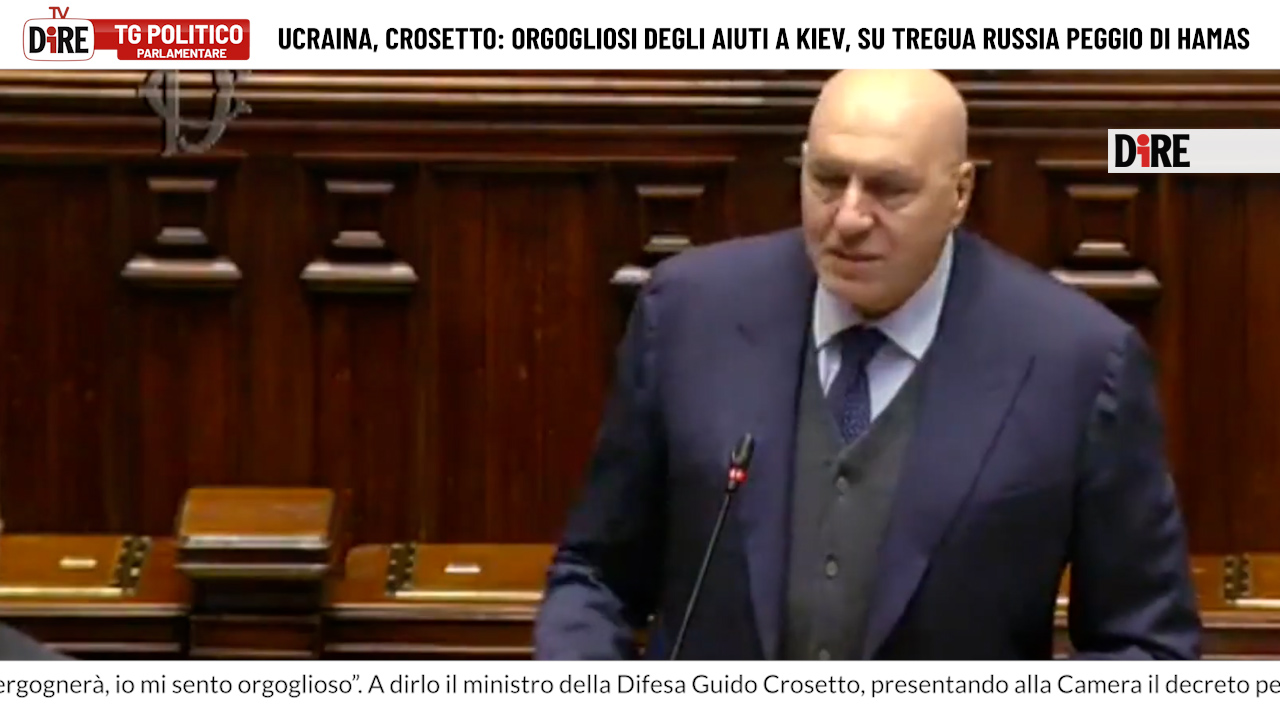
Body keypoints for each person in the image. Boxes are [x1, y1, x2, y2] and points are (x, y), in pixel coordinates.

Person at [534, 69, 1201, 660]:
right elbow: (595, 578)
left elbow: (1145, 644)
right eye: (827, 180)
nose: (849, 218)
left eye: (889, 189)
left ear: (960, 192)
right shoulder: (688, 312)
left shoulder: (1077, 361)